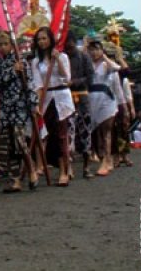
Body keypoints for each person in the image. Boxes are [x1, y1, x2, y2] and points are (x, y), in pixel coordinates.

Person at [0, 31, 34, 192]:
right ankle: (15, 179)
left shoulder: (22, 61)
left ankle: (31, 169)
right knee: (7, 143)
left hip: (20, 105)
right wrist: (11, 72)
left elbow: (29, 83)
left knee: (19, 139)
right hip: (5, 106)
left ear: (11, 45)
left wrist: (34, 104)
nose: (2, 47)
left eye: (5, 44)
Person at [31, 27, 73, 187]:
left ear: (50, 39)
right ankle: (44, 166)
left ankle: (64, 171)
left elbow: (67, 79)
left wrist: (59, 61)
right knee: (45, 135)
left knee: (61, 135)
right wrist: (38, 104)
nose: (42, 42)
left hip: (61, 97)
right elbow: (37, 84)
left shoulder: (62, 56)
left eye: (44, 38)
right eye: (39, 39)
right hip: (46, 98)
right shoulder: (36, 62)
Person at [86, 40, 119, 176]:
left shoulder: (106, 64)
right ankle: (104, 157)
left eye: (97, 49)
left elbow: (116, 68)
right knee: (95, 131)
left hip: (105, 99)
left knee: (106, 131)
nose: (94, 52)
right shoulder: (88, 65)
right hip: (91, 98)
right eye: (92, 50)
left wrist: (104, 56)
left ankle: (106, 160)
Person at [64, 36, 94, 179]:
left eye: (70, 45)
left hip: (82, 98)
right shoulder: (63, 57)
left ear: (74, 43)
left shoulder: (84, 57)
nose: (68, 47)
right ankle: (69, 167)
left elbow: (90, 78)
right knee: (68, 134)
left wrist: (73, 82)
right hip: (67, 98)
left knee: (85, 133)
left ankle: (86, 166)